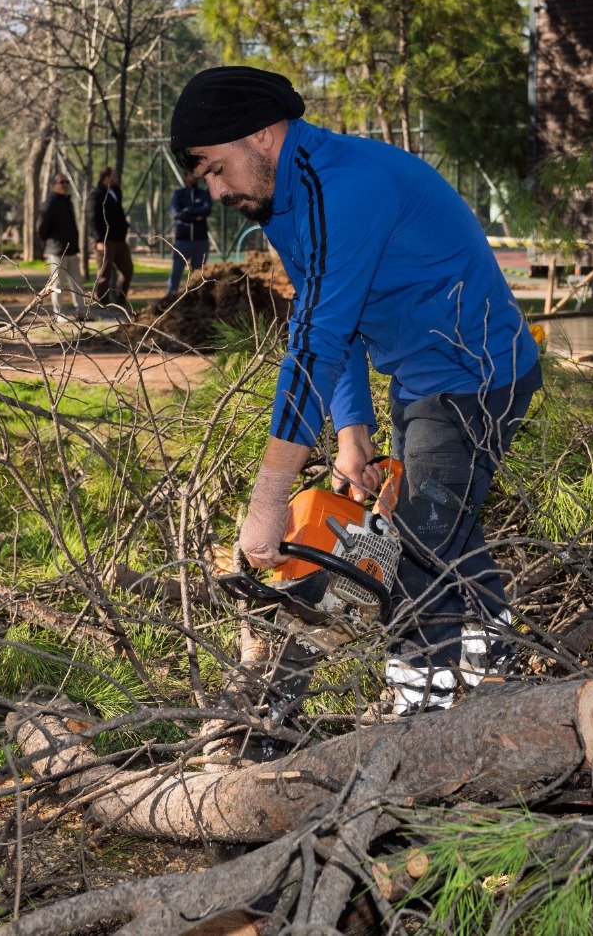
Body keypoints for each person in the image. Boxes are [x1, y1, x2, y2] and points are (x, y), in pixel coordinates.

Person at [171, 66, 541, 717]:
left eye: (216, 168)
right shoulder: (288, 200)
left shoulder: (346, 188)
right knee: (432, 515)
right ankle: (497, 649)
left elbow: (314, 344)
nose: (217, 189)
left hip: (476, 377)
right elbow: (327, 319)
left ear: (261, 135)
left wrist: (268, 501)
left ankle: (417, 717)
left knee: (419, 547)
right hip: (422, 376)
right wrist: (350, 432)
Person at [37, 173, 85, 319]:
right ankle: (59, 314)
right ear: (54, 185)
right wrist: (50, 242)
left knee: (77, 283)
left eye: (66, 182)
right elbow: (41, 226)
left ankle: (82, 312)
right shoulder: (51, 202)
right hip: (57, 251)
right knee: (57, 284)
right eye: (61, 182)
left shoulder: (67, 201)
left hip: (71, 250)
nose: (64, 185)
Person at [88, 166, 134, 306]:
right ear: (106, 177)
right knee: (104, 274)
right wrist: (98, 239)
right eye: (114, 176)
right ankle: (102, 302)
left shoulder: (116, 192)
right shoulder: (96, 194)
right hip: (105, 240)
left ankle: (120, 301)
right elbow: (92, 218)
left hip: (120, 239)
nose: (117, 179)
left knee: (128, 270)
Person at [165, 172, 212, 294]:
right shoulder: (178, 194)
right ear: (185, 177)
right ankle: (169, 299)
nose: (195, 176)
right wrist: (196, 216)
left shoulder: (204, 193)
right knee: (176, 273)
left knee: (197, 276)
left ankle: (195, 300)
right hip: (182, 242)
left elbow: (207, 210)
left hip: (201, 242)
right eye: (191, 174)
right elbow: (176, 213)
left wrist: (188, 210)